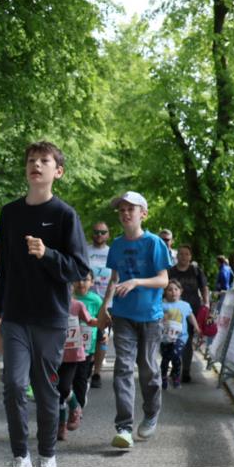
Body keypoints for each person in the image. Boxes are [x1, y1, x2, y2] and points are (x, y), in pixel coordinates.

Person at [0, 141, 89, 467]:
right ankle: (19, 459)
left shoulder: (65, 215)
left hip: (50, 317)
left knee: (46, 389)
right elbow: (5, 267)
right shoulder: (9, 213)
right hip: (16, 315)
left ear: (57, 171)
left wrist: (47, 254)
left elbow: (78, 268)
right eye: (31, 160)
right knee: (15, 386)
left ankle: (47, 459)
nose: (36, 164)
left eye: (44, 161)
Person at [99, 191, 170, 450]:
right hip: (123, 316)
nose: (126, 213)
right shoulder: (116, 245)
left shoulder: (154, 243)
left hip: (151, 317)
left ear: (144, 213)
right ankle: (124, 427)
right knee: (123, 368)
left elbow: (163, 279)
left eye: (131, 209)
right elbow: (114, 279)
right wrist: (104, 308)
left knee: (149, 369)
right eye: (122, 210)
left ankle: (151, 412)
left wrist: (138, 281)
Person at [56, 289, 96, 440]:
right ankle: (61, 426)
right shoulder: (50, 305)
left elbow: (89, 320)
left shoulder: (77, 305)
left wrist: (103, 322)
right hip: (54, 355)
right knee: (57, 391)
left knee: (64, 387)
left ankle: (75, 406)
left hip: (72, 355)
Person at [167, 244, 209, 383]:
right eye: (181, 254)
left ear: (190, 257)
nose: (184, 257)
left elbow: (204, 288)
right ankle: (175, 367)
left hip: (192, 310)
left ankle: (185, 371)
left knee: (187, 340)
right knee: (172, 339)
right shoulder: (170, 272)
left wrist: (206, 303)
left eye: (187, 254)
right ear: (177, 256)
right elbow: (163, 289)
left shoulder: (196, 271)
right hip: (173, 310)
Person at [70, 271, 103, 431]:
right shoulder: (68, 298)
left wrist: (103, 334)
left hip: (87, 346)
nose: (81, 283)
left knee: (81, 378)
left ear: (92, 282)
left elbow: (102, 318)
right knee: (69, 378)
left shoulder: (96, 300)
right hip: (68, 347)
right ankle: (71, 403)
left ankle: (78, 407)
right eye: (77, 279)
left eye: (85, 279)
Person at [160, 280, 201, 389]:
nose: (173, 292)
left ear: (180, 291)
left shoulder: (185, 305)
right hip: (165, 337)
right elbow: (156, 318)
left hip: (181, 337)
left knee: (176, 355)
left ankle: (176, 376)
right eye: (169, 290)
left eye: (176, 289)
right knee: (165, 359)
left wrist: (196, 327)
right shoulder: (162, 305)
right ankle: (163, 376)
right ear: (165, 292)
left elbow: (191, 316)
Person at [86, 221, 112, 389]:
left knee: (102, 337)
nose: (99, 235)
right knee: (88, 333)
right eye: (96, 232)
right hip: (87, 299)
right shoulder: (85, 250)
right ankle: (85, 364)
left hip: (107, 301)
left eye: (103, 232)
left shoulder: (112, 252)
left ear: (108, 234)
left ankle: (97, 372)